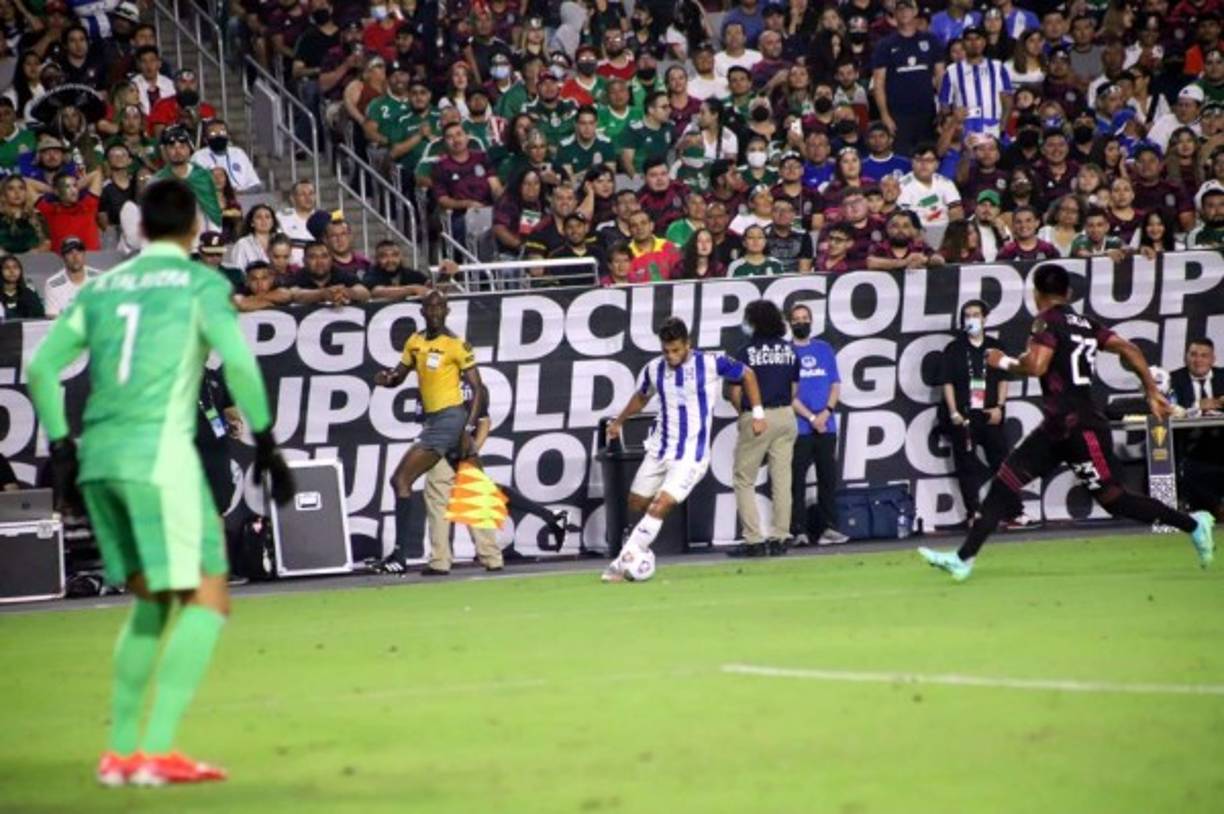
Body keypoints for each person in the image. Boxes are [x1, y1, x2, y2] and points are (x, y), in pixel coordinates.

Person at [26, 178, 294, 786]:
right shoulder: (201, 284)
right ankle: (156, 752)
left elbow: (41, 367)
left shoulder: (103, 286)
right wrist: (268, 442)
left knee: (150, 603)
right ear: (196, 231)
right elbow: (241, 363)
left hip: (99, 461)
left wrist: (62, 446)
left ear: (138, 230)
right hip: (158, 459)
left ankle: (121, 753)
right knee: (208, 598)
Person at [919, 264, 1215, 581]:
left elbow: (1036, 366)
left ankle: (1195, 523)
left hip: (1080, 427)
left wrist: (1002, 361)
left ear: (1036, 294)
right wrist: (1151, 390)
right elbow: (1128, 349)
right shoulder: (1087, 324)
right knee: (1005, 483)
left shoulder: (1046, 321)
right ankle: (964, 559)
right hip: (1057, 427)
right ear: (1068, 293)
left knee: (1114, 500)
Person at [601, 317, 764, 582]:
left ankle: (624, 560)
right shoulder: (654, 369)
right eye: (666, 350)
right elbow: (642, 397)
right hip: (660, 450)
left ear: (688, 344)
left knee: (660, 505)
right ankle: (642, 551)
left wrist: (757, 413)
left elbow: (747, 374)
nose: (671, 355)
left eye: (676, 350)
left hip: (692, 455)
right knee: (637, 503)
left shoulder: (709, 363)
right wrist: (619, 422)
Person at [372, 291, 486, 572]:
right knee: (474, 481)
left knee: (401, 480)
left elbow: (477, 388)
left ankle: (399, 556)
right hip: (435, 421)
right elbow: (399, 375)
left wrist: (468, 425)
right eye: (429, 307)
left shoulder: (456, 345)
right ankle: (546, 518)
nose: (434, 312)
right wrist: (386, 380)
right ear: (422, 311)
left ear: (447, 311)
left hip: (450, 420)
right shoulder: (415, 341)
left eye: (439, 307)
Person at [726, 300, 799, 557]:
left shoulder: (745, 352)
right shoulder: (789, 350)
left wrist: (746, 415)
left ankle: (754, 540)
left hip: (758, 417)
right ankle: (780, 537)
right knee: (782, 479)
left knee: (744, 479)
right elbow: (794, 389)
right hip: (786, 416)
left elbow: (734, 391)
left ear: (754, 322)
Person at [939, 300, 1020, 526]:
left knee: (1003, 464)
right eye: (967, 316)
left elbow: (1004, 379)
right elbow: (947, 383)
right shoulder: (954, 348)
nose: (971, 319)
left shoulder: (996, 346)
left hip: (990, 413)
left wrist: (1000, 408)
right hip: (965, 415)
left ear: (985, 318)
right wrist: (954, 411)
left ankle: (1014, 511)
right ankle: (974, 512)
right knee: (967, 466)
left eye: (975, 315)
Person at [420, 381, 504, 575]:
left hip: (439, 453)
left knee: (438, 504)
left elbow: (428, 425)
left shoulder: (430, 385)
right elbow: (484, 421)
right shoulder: (477, 387)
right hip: (467, 453)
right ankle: (492, 558)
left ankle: (440, 561)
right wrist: (473, 449)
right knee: (476, 501)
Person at [788, 304, 845, 547]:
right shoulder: (787, 352)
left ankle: (829, 529)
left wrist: (826, 413)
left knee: (827, 480)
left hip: (827, 426)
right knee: (796, 482)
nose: (801, 322)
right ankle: (798, 530)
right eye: (797, 319)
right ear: (790, 323)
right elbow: (788, 395)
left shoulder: (823, 349)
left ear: (812, 321)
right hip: (799, 428)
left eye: (805, 318)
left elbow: (835, 385)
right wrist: (812, 418)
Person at [871, 0, 945, 156]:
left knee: (927, 156)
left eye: (909, 7)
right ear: (895, 13)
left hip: (927, 113)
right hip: (898, 115)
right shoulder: (885, 45)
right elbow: (878, 83)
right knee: (902, 158)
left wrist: (943, 108)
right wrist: (885, 115)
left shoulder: (931, 41)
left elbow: (940, 77)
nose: (904, 11)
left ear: (916, 11)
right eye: (900, 8)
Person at [288, 242, 371, 305]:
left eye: (324, 256)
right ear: (304, 261)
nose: (319, 262)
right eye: (313, 257)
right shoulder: (298, 276)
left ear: (331, 259)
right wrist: (323, 294)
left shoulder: (340, 273)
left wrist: (347, 292)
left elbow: (365, 293)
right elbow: (294, 295)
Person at [44, 237, 104, 318]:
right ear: (63, 257)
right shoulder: (53, 284)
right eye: (70, 253)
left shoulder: (100, 278)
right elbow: (52, 317)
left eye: (79, 252)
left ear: (84, 254)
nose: (75, 257)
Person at [0, 254, 46, 319]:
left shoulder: (29, 293)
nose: (12, 271)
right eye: (6, 268)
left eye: (15, 267)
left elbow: (40, 316)